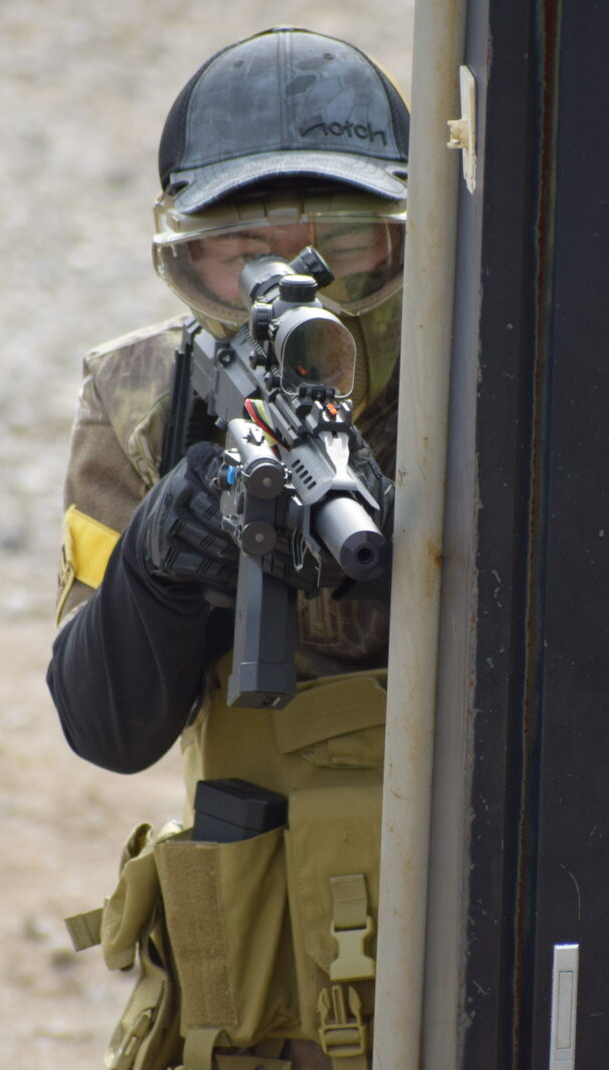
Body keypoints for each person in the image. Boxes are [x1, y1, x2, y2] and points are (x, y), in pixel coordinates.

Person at [47, 27, 408, 1070]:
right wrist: (156, 569)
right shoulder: (144, 400)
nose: (294, 283)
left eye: (338, 243)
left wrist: (411, 545)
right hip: (261, 984)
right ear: (187, 259)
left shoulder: (495, 374)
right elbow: (106, 727)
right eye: (245, 251)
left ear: (401, 244)